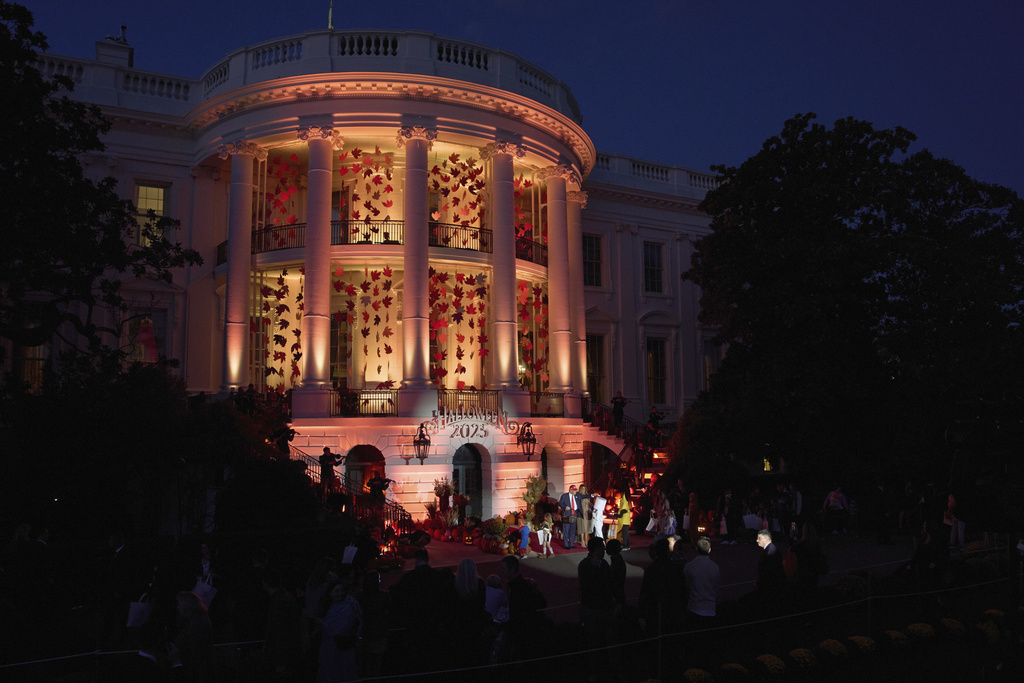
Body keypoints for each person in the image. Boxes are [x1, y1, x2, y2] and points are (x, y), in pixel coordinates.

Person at [317, 576, 361, 683]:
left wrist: (321, 623)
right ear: (330, 593)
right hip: (330, 648)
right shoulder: (328, 606)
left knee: (344, 672)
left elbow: (340, 629)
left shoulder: (349, 605)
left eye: (341, 591)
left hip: (343, 646)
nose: (340, 593)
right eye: (337, 591)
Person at [684, 536, 720, 628]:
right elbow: (716, 586)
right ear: (709, 550)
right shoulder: (715, 567)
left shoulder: (689, 566)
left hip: (694, 607)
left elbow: (686, 586)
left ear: (697, 549)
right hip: (710, 607)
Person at [754, 529, 786, 616]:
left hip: (770, 586)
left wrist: (760, 583)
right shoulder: (771, 549)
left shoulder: (770, 551)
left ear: (767, 539)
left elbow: (768, 570)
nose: (757, 540)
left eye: (759, 538)